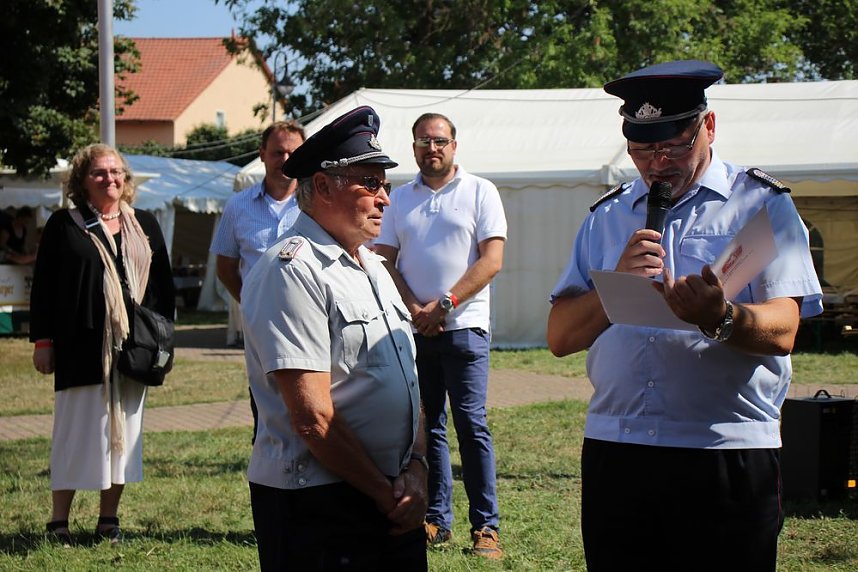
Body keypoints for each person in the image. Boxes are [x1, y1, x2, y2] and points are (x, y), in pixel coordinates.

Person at [546, 60, 823, 572]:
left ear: (708, 126)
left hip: (724, 448)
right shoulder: (607, 216)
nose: (658, 164)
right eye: (643, 149)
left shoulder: (759, 205)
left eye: (674, 145)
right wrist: (617, 287)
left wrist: (721, 318)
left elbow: (784, 330)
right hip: (619, 447)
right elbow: (560, 336)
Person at [240, 106, 428, 570]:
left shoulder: (376, 268)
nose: (385, 198)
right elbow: (313, 418)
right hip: (320, 503)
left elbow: (410, 382)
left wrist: (418, 469)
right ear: (322, 186)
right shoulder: (292, 270)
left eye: (385, 184)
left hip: (391, 492)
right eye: (370, 183)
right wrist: (387, 495)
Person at [375, 112, 507, 559]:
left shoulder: (480, 191)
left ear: (454, 144)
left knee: (471, 425)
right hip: (414, 329)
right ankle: (437, 519)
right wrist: (414, 308)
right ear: (413, 147)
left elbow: (491, 260)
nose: (431, 148)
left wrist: (445, 304)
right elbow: (385, 259)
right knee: (426, 427)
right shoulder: (398, 200)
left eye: (439, 141)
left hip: (465, 328)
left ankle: (485, 528)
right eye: (422, 142)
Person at [29, 143, 175, 545]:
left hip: (134, 349)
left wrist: (163, 343)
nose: (110, 179)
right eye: (99, 173)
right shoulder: (64, 224)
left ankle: (108, 518)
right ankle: (59, 520)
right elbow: (43, 288)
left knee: (124, 435)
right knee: (76, 433)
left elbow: (163, 287)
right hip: (80, 345)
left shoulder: (144, 223)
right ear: (82, 181)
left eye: (116, 172)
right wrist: (44, 340)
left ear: (125, 179)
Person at [209, 120, 305, 441]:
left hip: (311, 322)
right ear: (262, 154)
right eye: (278, 152)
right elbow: (225, 267)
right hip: (259, 329)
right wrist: (250, 303)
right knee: (265, 412)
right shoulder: (238, 206)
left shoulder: (317, 204)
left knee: (310, 405)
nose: (286, 159)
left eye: (294, 152)